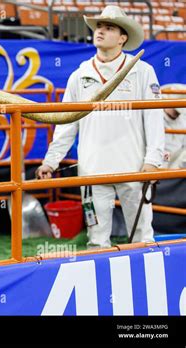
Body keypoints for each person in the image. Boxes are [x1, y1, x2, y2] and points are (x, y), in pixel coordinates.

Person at [35, 5, 165, 248]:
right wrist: (51, 161)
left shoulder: (142, 71)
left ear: (123, 38)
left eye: (109, 28)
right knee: (97, 240)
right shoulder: (80, 75)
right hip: (92, 170)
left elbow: (154, 117)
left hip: (135, 169)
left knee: (142, 237)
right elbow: (66, 122)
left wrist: (153, 161)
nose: (100, 32)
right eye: (99, 27)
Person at [161, 83, 186, 169]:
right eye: (175, 110)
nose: (177, 114)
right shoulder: (156, 117)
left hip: (175, 166)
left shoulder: (182, 120)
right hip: (160, 166)